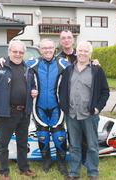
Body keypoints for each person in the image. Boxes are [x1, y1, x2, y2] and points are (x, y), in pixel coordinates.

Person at [0, 40, 38, 180]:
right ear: (9, 52)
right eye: (15, 51)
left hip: (24, 113)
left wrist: (33, 90)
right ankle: (4, 170)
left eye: (21, 52)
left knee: (22, 142)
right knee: (4, 143)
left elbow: (31, 86)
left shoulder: (28, 70)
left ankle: (23, 168)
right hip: (7, 112)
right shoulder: (0, 68)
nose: (18, 54)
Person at [59, 41, 110, 180]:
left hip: (89, 115)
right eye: (80, 50)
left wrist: (98, 108)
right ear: (76, 52)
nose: (82, 53)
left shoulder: (97, 70)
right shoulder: (68, 70)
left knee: (92, 145)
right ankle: (74, 173)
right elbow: (61, 90)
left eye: (85, 51)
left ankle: (93, 173)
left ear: (90, 54)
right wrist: (64, 107)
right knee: (74, 145)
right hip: (72, 114)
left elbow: (105, 91)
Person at [26, 38, 70, 175]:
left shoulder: (63, 64)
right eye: (44, 48)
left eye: (50, 47)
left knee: (59, 136)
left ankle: (62, 164)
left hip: (57, 107)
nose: (47, 50)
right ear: (40, 50)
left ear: (54, 49)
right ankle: (47, 162)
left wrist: (94, 62)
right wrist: (2, 60)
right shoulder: (32, 63)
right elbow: (15, 64)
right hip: (38, 106)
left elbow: (81, 67)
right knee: (42, 135)